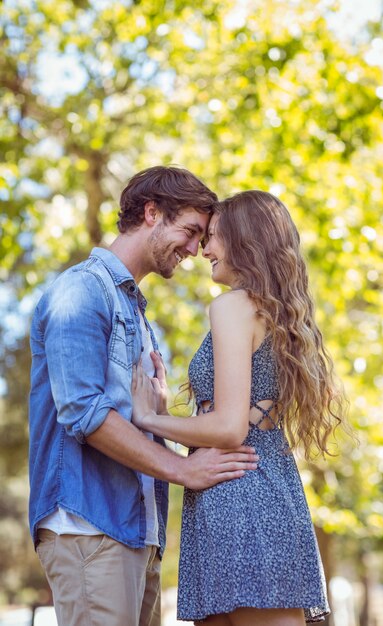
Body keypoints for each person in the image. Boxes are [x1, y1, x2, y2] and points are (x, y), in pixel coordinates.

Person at [28, 166, 259, 626]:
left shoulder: (134, 312)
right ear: (152, 213)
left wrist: (155, 418)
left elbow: (126, 419)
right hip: (89, 528)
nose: (196, 250)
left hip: (138, 535)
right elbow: (85, 413)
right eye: (191, 231)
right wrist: (183, 468)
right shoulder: (81, 291)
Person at [133, 190, 347, 625]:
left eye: (213, 237)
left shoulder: (232, 306)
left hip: (241, 497)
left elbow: (231, 426)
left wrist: (150, 418)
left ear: (244, 240)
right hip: (251, 491)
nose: (204, 249)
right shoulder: (274, 313)